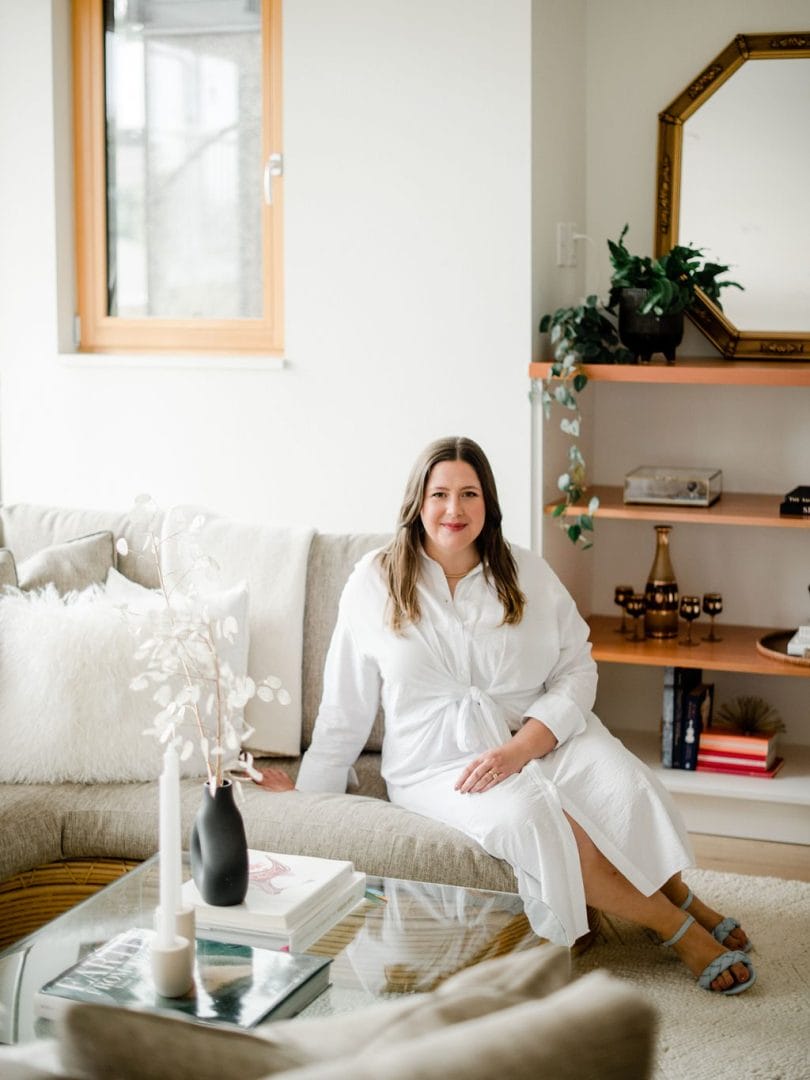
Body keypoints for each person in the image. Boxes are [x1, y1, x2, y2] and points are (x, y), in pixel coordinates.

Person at [258, 436, 756, 995]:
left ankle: (686, 897)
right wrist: (307, 804)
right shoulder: (372, 584)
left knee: (622, 787)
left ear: (488, 503)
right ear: (416, 502)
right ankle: (678, 929)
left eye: (468, 493)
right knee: (539, 822)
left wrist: (526, 747)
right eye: (439, 493)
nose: (454, 510)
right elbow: (342, 715)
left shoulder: (526, 571)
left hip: (541, 735)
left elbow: (577, 670)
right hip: (440, 765)